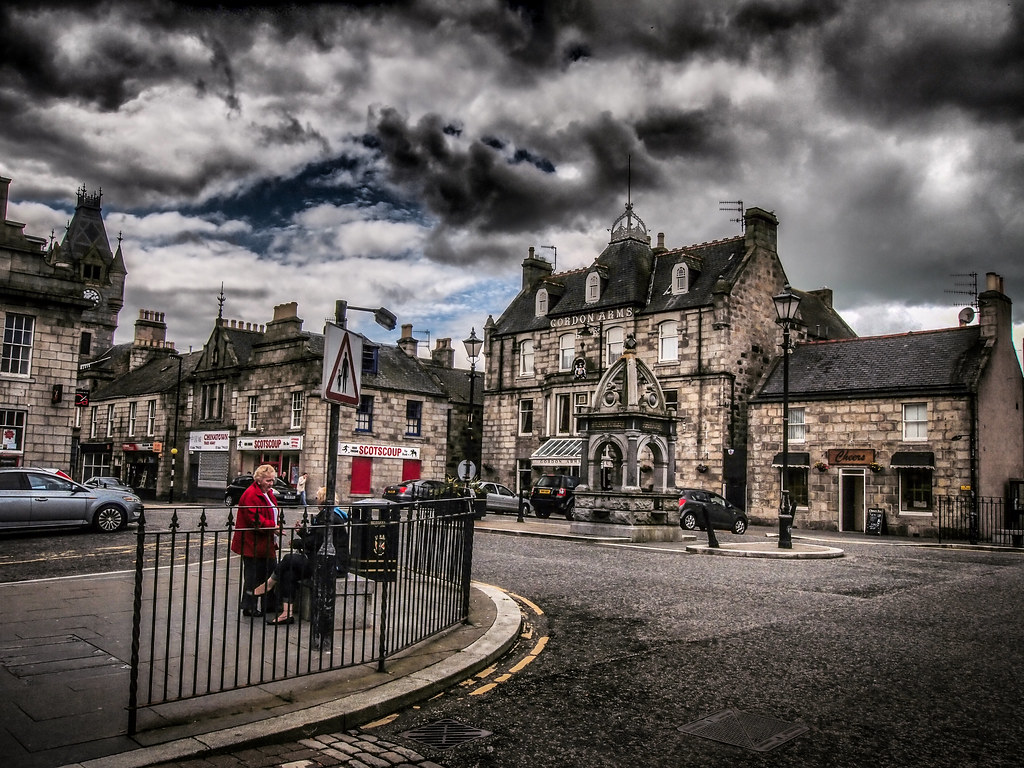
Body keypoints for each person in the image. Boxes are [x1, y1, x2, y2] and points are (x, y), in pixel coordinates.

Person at [254, 486, 350, 625]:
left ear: (322, 500)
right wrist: (302, 533)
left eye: (317, 497)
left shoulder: (330, 517)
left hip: (331, 565)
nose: (316, 499)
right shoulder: (329, 515)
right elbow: (317, 539)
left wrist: (297, 542)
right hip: (321, 560)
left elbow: (316, 543)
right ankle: (286, 614)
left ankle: (269, 584)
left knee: (288, 559)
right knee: (289, 573)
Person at [230, 464, 281, 618]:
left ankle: (269, 604)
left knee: (271, 573)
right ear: (259, 480)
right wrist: (273, 526)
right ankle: (249, 606)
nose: (271, 483)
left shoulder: (268, 493)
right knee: (253, 576)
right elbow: (254, 519)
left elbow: (272, 512)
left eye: (272, 480)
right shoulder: (251, 494)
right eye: (268, 480)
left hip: (266, 542)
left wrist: (275, 526)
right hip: (252, 542)